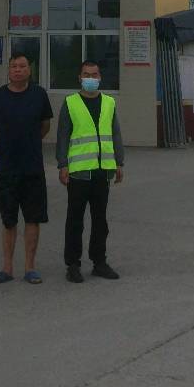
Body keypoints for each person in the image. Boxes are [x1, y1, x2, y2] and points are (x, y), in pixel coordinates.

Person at [0, 53, 53, 285]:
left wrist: (29, 142)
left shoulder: (39, 95)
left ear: (29, 70)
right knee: (9, 220)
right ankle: (7, 268)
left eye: (22, 66)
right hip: (6, 168)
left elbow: (45, 125)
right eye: (14, 66)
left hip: (32, 168)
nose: (18, 70)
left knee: (33, 218)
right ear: (8, 70)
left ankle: (30, 268)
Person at [57, 60, 125, 283]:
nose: (90, 79)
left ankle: (99, 262)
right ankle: (73, 265)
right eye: (86, 74)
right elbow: (63, 136)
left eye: (94, 75)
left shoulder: (109, 103)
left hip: (102, 172)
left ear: (100, 77)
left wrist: (119, 162)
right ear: (79, 78)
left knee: (100, 221)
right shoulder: (70, 103)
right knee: (75, 221)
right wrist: (62, 164)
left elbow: (115, 134)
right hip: (78, 173)